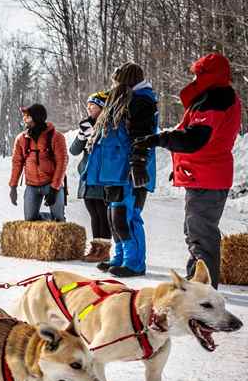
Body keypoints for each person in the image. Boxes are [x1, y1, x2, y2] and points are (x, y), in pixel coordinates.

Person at [133, 53, 241, 288]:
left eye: (199, 74)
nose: (194, 78)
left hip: (208, 177)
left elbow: (194, 139)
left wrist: (158, 139)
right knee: (194, 233)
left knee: (201, 236)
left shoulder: (216, 99)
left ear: (209, 75)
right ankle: (197, 282)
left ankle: (203, 289)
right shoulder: (213, 97)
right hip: (204, 174)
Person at [86, 62, 158, 278]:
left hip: (129, 171)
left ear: (127, 81)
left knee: (125, 217)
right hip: (114, 170)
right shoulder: (124, 101)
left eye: (117, 81)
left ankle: (134, 262)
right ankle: (120, 257)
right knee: (113, 216)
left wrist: (138, 164)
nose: (113, 85)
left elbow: (142, 137)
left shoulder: (141, 102)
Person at [8, 105, 68, 223]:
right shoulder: (21, 139)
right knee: (30, 220)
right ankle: (47, 220)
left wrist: (55, 189)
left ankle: (54, 219)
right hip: (32, 185)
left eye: (28, 117)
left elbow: (62, 163)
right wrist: (13, 186)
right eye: (24, 117)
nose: (24, 119)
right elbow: (17, 163)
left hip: (52, 184)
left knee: (59, 220)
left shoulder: (56, 137)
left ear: (37, 118)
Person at [70, 91, 111, 262]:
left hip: (101, 175)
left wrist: (94, 135)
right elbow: (74, 150)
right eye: (88, 105)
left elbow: (106, 149)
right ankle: (96, 248)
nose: (89, 109)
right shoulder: (86, 125)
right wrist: (82, 134)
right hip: (87, 175)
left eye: (93, 106)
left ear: (103, 108)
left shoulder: (110, 126)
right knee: (93, 212)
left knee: (102, 212)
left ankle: (104, 250)